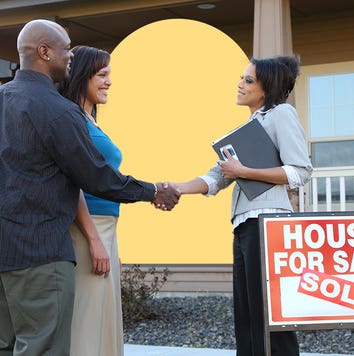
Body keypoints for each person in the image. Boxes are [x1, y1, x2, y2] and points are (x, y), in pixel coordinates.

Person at [0, 19, 180, 356]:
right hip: (41, 253)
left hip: (4, 253)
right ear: (44, 52)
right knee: (43, 348)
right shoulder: (58, 111)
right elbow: (97, 177)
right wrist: (152, 190)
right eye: (66, 48)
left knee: (7, 347)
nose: (70, 55)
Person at [170, 55, 313, 356]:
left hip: (268, 224)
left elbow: (300, 171)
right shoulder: (249, 127)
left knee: (268, 313)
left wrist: (245, 172)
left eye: (248, 80)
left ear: (267, 88)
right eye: (242, 78)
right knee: (248, 314)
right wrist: (176, 189)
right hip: (246, 225)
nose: (240, 84)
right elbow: (216, 177)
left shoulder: (281, 114)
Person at [58, 45, 129, 356]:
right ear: (82, 76)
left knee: (104, 318)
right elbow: (70, 182)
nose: (109, 81)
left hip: (105, 229)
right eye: (102, 74)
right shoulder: (72, 119)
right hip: (88, 230)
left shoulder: (89, 119)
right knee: (87, 322)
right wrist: (94, 239)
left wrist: (109, 244)